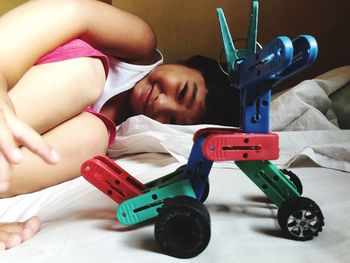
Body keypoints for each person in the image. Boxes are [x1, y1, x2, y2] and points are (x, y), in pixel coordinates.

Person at [0, 0, 240, 250]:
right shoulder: (138, 43)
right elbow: (70, 10)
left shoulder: (99, 135)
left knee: (92, 139)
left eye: (170, 120)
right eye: (182, 93)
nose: (161, 104)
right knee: (87, 73)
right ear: (186, 63)